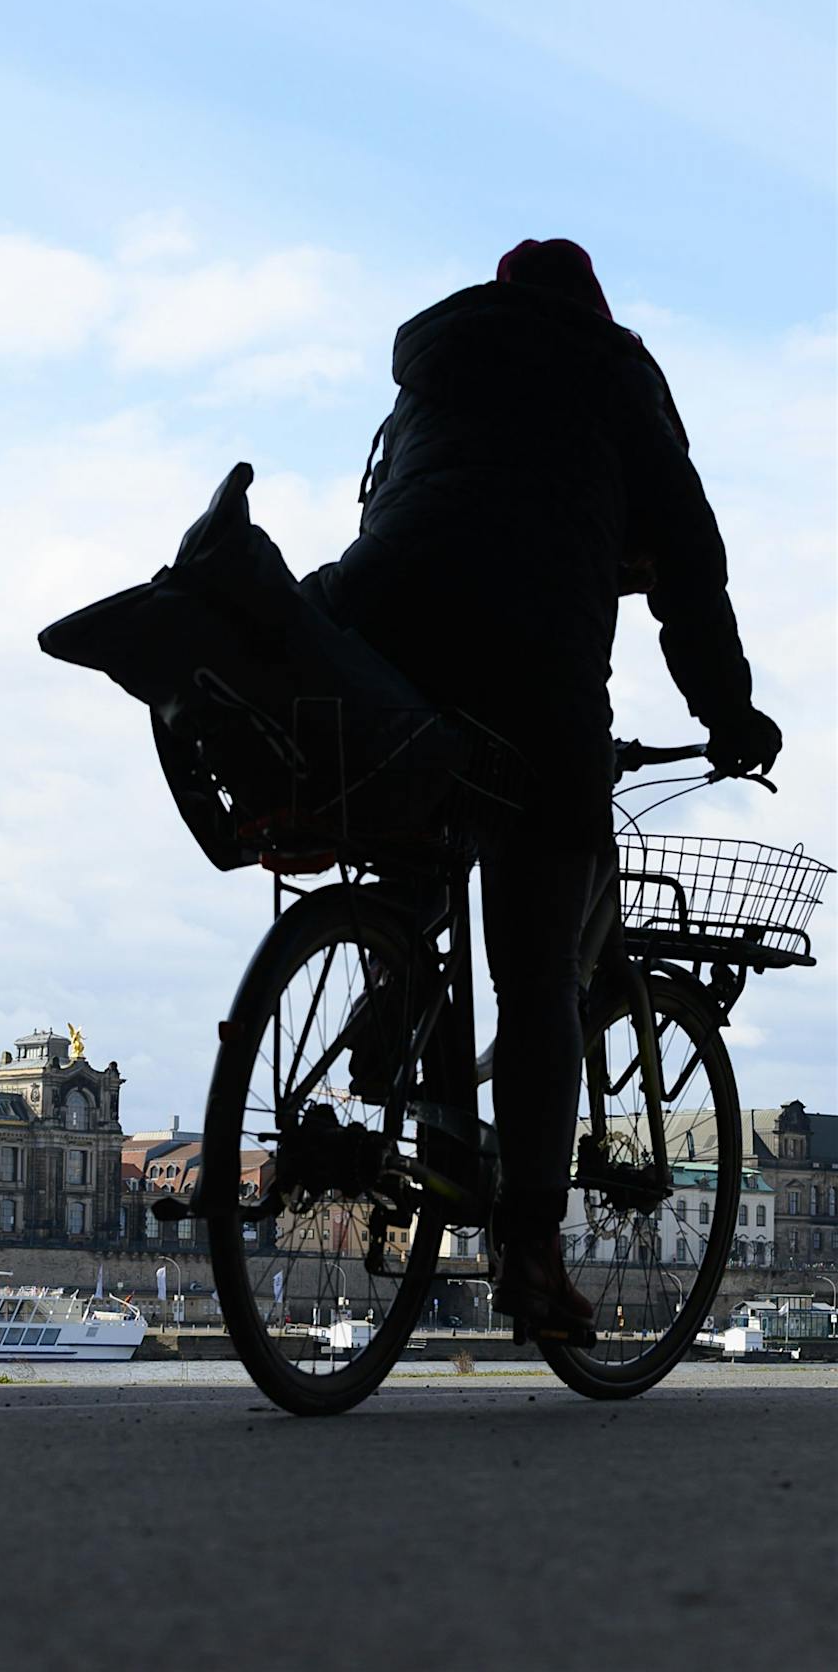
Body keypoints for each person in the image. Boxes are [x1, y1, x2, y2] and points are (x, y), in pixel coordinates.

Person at [312, 238, 780, 1339]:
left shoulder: (428, 376)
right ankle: (526, 1251)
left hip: (382, 642)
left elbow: (395, 510)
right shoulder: (611, 373)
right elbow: (688, 561)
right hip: (532, 672)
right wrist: (728, 711)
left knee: (419, 827)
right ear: (591, 308)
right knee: (534, 974)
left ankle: (393, 990)